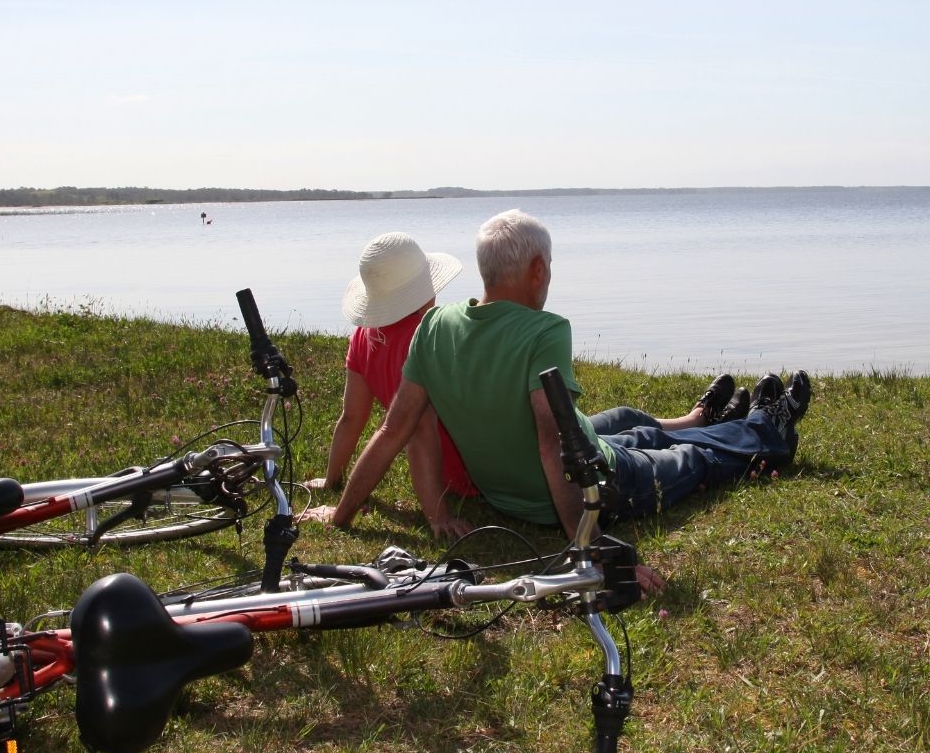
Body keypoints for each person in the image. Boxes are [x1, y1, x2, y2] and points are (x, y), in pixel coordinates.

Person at [302, 211, 811, 585]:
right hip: (589, 485)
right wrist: (584, 549)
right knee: (693, 460)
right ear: (538, 269)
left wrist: (342, 514)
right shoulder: (546, 331)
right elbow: (553, 445)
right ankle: (771, 427)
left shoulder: (435, 326)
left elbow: (393, 431)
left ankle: (725, 422)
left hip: (506, 495)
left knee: (642, 430)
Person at [303, 231, 478, 539]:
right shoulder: (427, 338)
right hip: (466, 478)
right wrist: (438, 516)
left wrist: (331, 479)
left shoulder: (362, 335)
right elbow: (420, 432)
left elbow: (351, 417)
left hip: (441, 475)